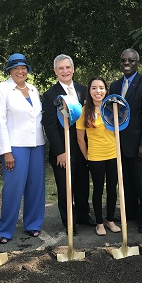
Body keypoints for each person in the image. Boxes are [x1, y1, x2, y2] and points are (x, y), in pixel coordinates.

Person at [0, 53, 45, 243]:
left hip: (37, 144)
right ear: (9, 71)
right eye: (16, 68)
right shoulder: (2, 89)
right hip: (15, 146)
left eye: (23, 68)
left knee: (36, 186)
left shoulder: (33, 89)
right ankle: (5, 230)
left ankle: (33, 224)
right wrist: (6, 151)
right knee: (13, 188)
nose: (20, 71)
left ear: (27, 71)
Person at [41, 54, 93, 235]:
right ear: (55, 71)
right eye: (61, 68)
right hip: (62, 150)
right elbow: (50, 126)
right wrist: (60, 152)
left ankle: (84, 216)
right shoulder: (49, 95)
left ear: (73, 69)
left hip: (82, 147)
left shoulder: (83, 90)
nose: (65, 71)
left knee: (82, 184)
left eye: (67, 67)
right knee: (65, 187)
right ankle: (69, 222)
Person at [109, 48, 142, 233]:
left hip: (140, 145)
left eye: (130, 60)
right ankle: (130, 213)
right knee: (126, 182)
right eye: (123, 60)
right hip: (119, 145)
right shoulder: (114, 87)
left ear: (137, 62)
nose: (126, 63)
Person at [76, 77, 121, 236]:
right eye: (94, 88)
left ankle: (110, 220)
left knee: (112, 189)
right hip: (95, 156)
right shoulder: (84, 111)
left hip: (113, 154)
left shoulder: (112, 108)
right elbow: (80, 139)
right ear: (89, 91)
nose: (98, 91)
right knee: (98, 190)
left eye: (101, 88)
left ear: (106, 90)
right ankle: (99, 223)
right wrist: (87, 157)